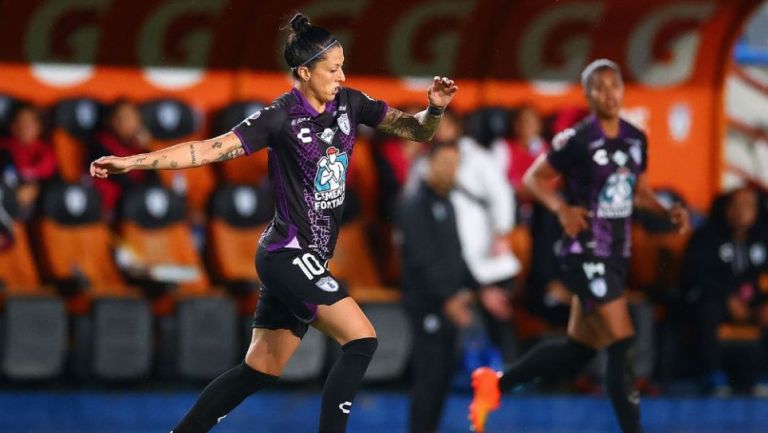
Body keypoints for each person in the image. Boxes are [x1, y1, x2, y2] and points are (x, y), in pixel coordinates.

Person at [90, 13, 458, 433]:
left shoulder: (351, 103)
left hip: (310, 257)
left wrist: (434, 108)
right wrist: (133, 161)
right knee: (362, 340)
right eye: (333, 68)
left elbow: (416, 132)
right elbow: (210, 149)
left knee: (261, 368)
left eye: (343, 67)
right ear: (304, 72)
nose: (342, 76)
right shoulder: (279, 117)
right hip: (288, 252)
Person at [468, 59, 690, 433]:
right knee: (621, 341)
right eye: (599, 87)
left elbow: (638, 190)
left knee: (579, 350)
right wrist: (562, 209)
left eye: (614, 85)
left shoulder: (636, 138)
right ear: (588, 94)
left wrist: (665, 211)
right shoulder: (578, 139)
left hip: (617, 253)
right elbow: (534, 179)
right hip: (585, 251)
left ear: (622, 89)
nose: (608, 94)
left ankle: (495, 384)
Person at [396, 140, 477, 433]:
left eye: (455, 164)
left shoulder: (448, 204)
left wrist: (479, 288)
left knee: (443, 378)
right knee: (428, 380)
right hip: (428, 306)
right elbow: (421, 260)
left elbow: (455, 254)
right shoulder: (414, 206)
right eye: (444, 163)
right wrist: (448, 300)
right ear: (429, 164)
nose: (450, 170)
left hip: (449, 305)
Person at [682, 187, 768, 396]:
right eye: (736, 206)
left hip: (751, 301)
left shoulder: (763, 238)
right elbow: (695, 275)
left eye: (748, 206)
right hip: (715, 298)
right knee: (708, 309)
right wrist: (727, 297)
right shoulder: (707, 235)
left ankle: (761, 376)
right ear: (726, 208)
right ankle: (712, 374)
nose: (741, 212)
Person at [89, 99, 154, 216]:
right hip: (109, 210)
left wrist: (147, 150)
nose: (126, 123)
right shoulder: (100, 144)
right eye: (121, 118)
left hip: (138, 209)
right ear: (111, 122)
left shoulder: (143, 147)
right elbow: (124, 180)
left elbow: (155, 182)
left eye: (130, 118)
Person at [0, 104, 58, 218]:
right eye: (20, 122)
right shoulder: (4, 147)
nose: (24, 127)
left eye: (29, 123)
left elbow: (46, 174)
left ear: (39, 127)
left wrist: (35, 187)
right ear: (13, 126)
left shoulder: (46, 151)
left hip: (35, 209)